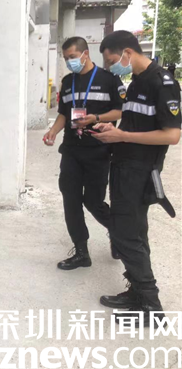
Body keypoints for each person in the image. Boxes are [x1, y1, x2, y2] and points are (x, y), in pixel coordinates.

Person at [92, 31, 180, 327]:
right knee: (131, 232)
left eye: (112, 61)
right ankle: (137, 292)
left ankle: (152, 307)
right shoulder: (136, 83)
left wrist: (123, 136)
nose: (111, 67)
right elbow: (133, 126)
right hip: (123, 166)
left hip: (140, 171)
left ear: (127, 53)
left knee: (127, 235)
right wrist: (112, 132)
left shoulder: (162, 83)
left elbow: (172, 135)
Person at [43, 37, 125, 270]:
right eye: (66, 58)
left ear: (85, 54)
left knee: (93, 201)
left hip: (98, 150)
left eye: (72, 57)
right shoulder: (68, 81)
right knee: (70, 200)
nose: (69, 61)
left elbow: (120, 111)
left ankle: (117, 233)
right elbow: (63, 113)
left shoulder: (109, 79)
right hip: (71, 150)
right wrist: (53, 131)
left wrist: (95, 118)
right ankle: (81, 252)